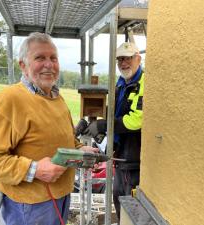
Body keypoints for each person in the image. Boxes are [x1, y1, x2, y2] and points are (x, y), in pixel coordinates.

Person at [0, 32, 97, 225]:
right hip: (30, 206)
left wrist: (80, 150)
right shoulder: (11, 99)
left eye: (53, 58)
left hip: (61, 196)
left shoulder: (57, 98)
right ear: (23, 65)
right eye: (40, 58)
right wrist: (34, 169)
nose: (49, 64)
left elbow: (66, 139)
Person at [84, 42, 144, 220]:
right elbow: (114, 111)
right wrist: (97, 125)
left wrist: (104, 126)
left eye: (127, 58)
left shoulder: (142, 84)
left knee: (131, 210)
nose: (123, 63)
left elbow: (137, 120)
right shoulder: (121, 83)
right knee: (118, 203)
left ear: (138, 58)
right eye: (120, 60)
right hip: (120, 156)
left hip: (133, 160)